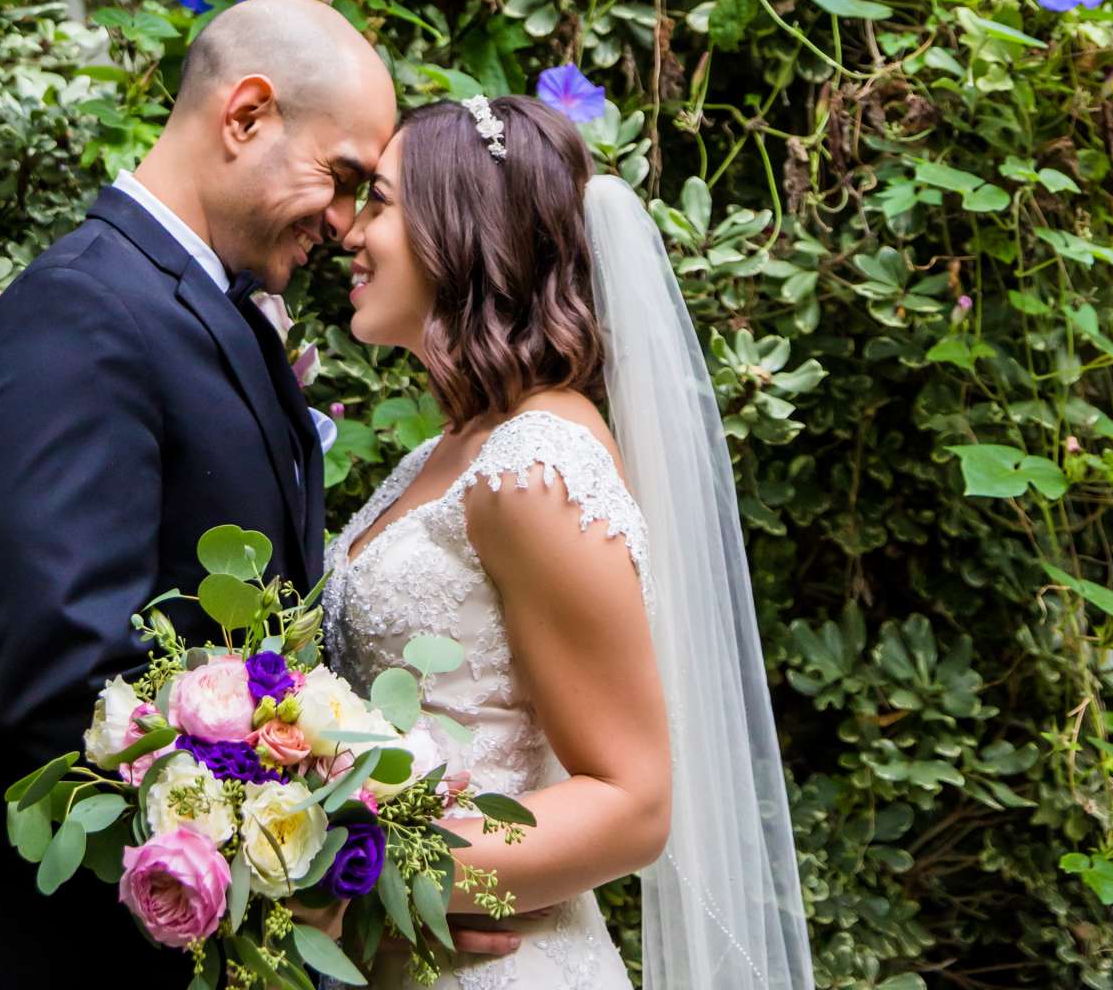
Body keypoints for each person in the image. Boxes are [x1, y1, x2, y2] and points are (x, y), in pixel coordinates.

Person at [0, 0, 519, 986]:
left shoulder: (209, 310)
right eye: (339, 180)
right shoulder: (79, 316)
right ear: (244, 115)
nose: (343, 225)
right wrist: (344, 872)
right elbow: (60, 694)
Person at [325, 93, 816, 990]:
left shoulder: (535, 464)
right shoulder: (452, 450)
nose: (349, 232)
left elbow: (631, 805)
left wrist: (361, 878)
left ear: (459, 229)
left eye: (381, 202)